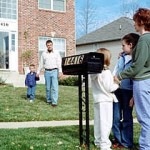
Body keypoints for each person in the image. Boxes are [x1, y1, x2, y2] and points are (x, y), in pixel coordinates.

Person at [114, 8, 150, 150]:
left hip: (142, 81)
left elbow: (136, 66)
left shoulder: (143, 40)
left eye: (135, 21)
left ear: (141, 22)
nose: (134, 24)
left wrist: (120, 76)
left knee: (144, 118)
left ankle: (145, 147)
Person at [112, 33, 140, 149]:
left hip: (129, 93)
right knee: (116, 117)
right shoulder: (121, 58)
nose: (122, 48)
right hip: (117, 91)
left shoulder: (137, 60)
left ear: (131, 45)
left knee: (127, 118)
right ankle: (118, 140)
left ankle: (127, 142)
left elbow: (136, 79)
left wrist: (134, 97)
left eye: (123, 46)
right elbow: (115, 72)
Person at [90, 48, 119, 150]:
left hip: (97, 99)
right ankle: (105, 145)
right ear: (107, 59)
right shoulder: (106, 72)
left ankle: (98, 141)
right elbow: (109, 88)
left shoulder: (94, 72)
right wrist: (117, 83)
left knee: (98, 122)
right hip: (105, 100)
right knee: (106, 123)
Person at [37, 40, 62, 107]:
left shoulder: (56, 53)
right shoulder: (43, 53)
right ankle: (48, 100)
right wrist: (38, 72)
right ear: (46, 46)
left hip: (54, 71)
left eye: (50, 45)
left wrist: (60, 71)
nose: (49, 46)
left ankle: (54, 102)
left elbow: (59, 62)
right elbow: (41, 63)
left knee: (54, 87)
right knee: (48, 87)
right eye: (48, 45)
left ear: (52, 45)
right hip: (47, 72)